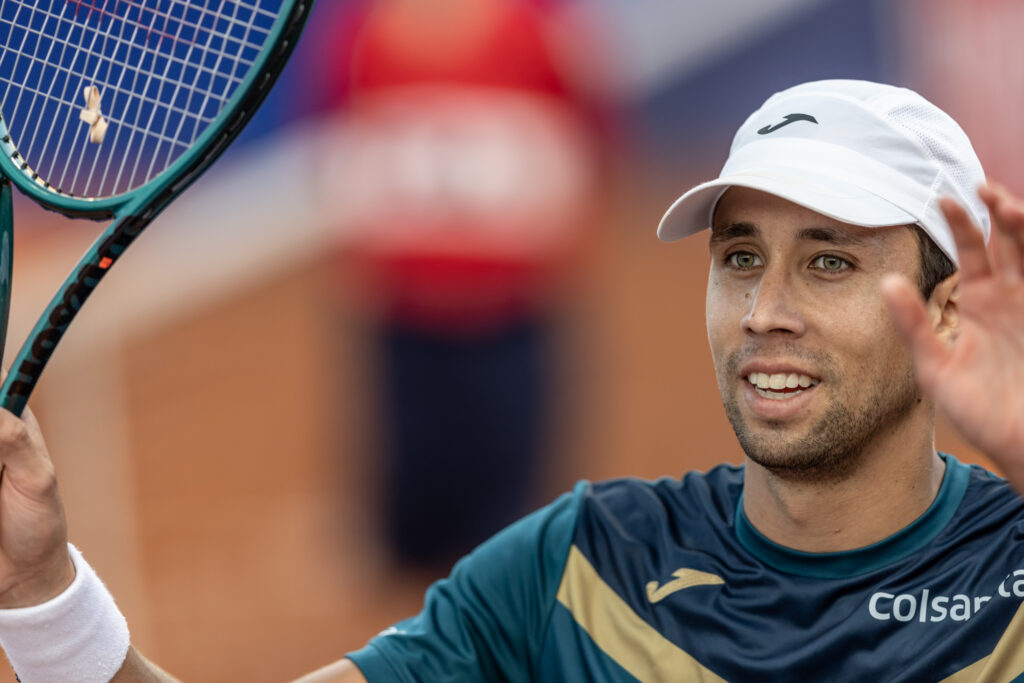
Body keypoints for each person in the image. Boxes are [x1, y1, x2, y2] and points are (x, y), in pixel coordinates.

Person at [0, 78, 1022, 682]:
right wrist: (42, 594)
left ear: (942, 304)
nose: (764, 309)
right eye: (740, 256)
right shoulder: (574, 573)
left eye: (829, 260)